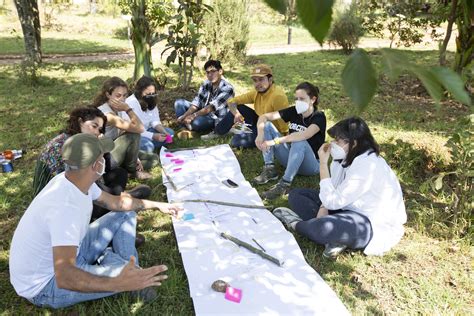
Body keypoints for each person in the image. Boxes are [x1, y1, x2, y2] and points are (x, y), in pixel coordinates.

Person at [10, 133, 183, 309]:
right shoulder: (65, 209)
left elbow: (116, 203)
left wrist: (157, 205)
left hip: (72, 253)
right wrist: (119, 283)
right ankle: (124, 272)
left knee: (127, 213)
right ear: (95, 165)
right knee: (123, 280)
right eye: (102, 156)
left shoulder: (73, 179)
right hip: (46, 285)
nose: (105, 160)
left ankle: (121, 267)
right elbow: (65, 276)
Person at [272, 117, 407, 258]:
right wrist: (323, 209)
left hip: (368, 221)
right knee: (297, 195)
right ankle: (335, 238)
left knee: (324, 228)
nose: (332, 144)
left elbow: (332, 200)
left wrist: (323, 164)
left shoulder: (366, 165)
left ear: (353, 143)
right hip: (344, 208)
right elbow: (331, 191)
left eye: (338, 141)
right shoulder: (344, 158)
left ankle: (296, 224)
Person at [32, 107, 150, 206]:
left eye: (99, 129)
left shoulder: (81, 141)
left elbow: (96, 174)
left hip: (77, 186)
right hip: (59, 200)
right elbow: (74, 184)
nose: (96, 132)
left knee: (120, 173)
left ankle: (117, 198)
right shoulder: (64, 146)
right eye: (94, 126)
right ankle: (119, 200)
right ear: (80, 122)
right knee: (97, 196)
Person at [254, 82, 326, 200]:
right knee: (266, 126)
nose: (298, 102)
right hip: (293, 158)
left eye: (302, 99)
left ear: (313, 99)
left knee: (299, 141)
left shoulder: (319, 117)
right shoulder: (294, 111)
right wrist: (260, 134)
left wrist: (274, 142)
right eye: (296, 98)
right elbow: (264, 117)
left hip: (311, 165)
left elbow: (303, 135)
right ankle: (269, 168)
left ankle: (284, 184)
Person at [93, 77, 156, 180]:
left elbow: (123, 131)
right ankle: (133, 171)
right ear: (108, 95)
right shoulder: (107, 113)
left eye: (125, 95)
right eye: (118, 95)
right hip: (105, 158)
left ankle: (125, 169)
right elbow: (139, 129)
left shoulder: (119, 109)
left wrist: (136, 158)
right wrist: (128, 109)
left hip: (116, 148)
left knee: (153, 159)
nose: (122, 99)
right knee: (133, 134)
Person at [214, 64, 289, 148]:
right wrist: (236, 114)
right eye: (255, 80)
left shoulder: (277, 96)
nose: (257, 84)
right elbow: (232, 101)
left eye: (261, 80)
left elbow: (284, 124)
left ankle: (241, 130)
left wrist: (280, 140)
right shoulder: (256, 92)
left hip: (270, 128)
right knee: (240, 107)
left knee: (236, 142)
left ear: (270, 80)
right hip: (259, 121)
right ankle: (218, 132)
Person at [174, 59, 234, 140]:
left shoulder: (228, 88)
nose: (210, 75)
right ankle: (184, 128)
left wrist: (193, 116)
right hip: (202, 111)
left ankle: (190, 127)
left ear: (220, 71)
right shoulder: (206, 84)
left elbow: (211, 107)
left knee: (197, 123)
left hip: (215, 117)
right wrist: (185, 115)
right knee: (179, 102)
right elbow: (197, 102)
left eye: (213, 71)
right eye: (208, 72)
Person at [126, 76, 174, 153]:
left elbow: (155, 121)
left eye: (153, 93)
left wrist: (163, 131)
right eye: (148, 94)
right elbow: (133, 129)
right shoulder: (131, 103)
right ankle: (139, 147)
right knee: (148, 146)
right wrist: (153, 136)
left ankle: (148, 146)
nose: (151, 96)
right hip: (134, 134)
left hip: (147, 130)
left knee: (170, 133)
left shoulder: (152, 100)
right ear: (139, 92)